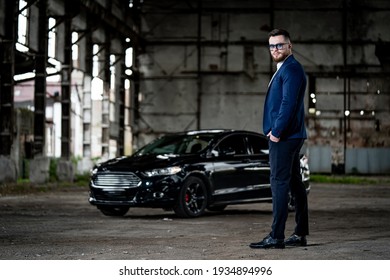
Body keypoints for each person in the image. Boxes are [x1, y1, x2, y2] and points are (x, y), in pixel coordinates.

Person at [250, 28, 309, 249]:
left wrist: (276, 132)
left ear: (289, 46)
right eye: (272, 46)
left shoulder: (291, 69)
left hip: (284, 137)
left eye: (280, 45)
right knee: (294, 183)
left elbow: (288, 104)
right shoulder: (286, 68)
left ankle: (277, 236)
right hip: (291, 135)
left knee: (279, 184)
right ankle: (300, 233)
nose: (275, 49)